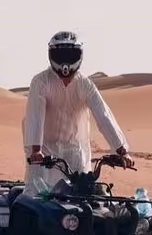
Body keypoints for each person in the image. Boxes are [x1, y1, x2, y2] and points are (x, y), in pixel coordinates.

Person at [22, 30, 134, 195]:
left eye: (70, 54)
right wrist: (36, 150)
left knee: (84, 200)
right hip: (43, 155)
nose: (65, 62)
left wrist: (121, 150)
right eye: (60, 55)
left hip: (76, 154)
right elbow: (35, 117)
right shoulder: (41, 82)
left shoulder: (85, 85)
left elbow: (103, 115)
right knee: (35, 199)